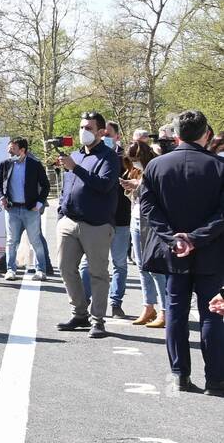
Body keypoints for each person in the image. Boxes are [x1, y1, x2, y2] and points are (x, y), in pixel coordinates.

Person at [138, 110, 224, 395]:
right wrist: (195, 238)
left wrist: (174, 238)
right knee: (212, 313)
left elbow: (149, 210)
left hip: (173, 251)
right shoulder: (219, 167)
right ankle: (215, 379)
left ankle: (179, 374)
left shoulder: (156, 166)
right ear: (206, 134)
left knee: (176, 311)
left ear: (175, 135)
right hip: (211, 250)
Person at [54, 111, 120, 338]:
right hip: (69, 222)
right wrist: (61, 212)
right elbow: (68, 186)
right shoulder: (76, 155)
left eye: (89, 128)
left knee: (98, 273)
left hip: (97, 225)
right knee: (65, 267)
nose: (84, 132)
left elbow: (103, 185)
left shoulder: (109, 157)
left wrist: (75, 168)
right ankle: (79, 313)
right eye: (82, 127)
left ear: (101, 132)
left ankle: (98, 320)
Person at [81, 146, 133, 317]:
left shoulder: (126, 162)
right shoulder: (92, 160)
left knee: (119, 263)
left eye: (109, 135)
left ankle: (115, 302)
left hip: (121, 220)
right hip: (98, 220)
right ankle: (85, 301)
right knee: (88, 263)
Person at [124, 139, 168, 328]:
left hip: (151, 222)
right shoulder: (135, 169)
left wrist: (138, 186)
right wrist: (130, 187)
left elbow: (159, 193)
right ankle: (148, 306)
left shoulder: (157, 166)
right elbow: (135, 198)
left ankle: (165, 310)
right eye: (130, 159)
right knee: (142, 266)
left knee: (156, 268)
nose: (133, 162)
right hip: (136, 219)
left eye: (135, 158)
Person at [0, 137, 50, 282]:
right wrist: (1, 197)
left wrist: (39, 203)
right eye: (9, 149)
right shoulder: (5, 164)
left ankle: (41, 270)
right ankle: (10, 270)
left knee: (35, 241)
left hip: (31, 209)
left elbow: (45, 185)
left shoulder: (34, 164)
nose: (9, 151)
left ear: (22, 150)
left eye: (12, 149)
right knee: (12, 241)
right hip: (12, 209)